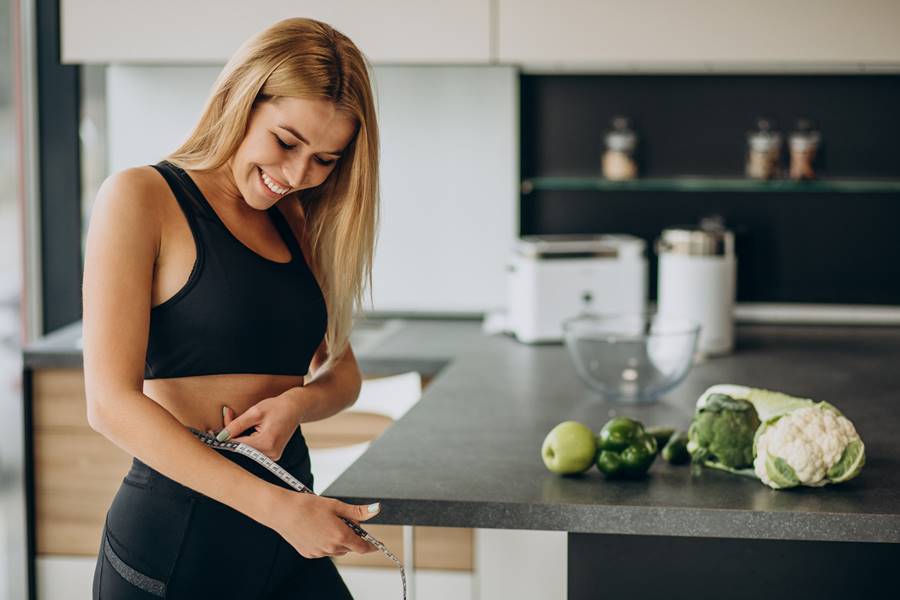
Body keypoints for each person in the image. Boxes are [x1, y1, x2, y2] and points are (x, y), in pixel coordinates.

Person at [83, 17, 382, 598]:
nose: (297, 176)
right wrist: (280, 511)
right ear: (241, 99)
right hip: (179, 542)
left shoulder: (294, 220)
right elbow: (109, 405)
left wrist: (295, 404)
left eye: (324, 159)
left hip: (289, 524)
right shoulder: (141, 197)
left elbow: (343, 374)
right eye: (286, 142)